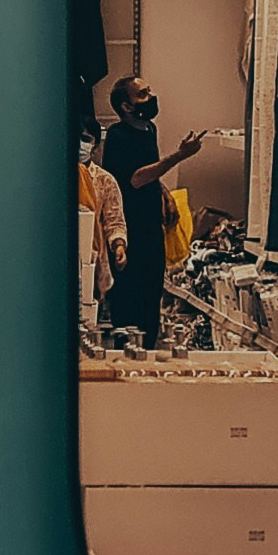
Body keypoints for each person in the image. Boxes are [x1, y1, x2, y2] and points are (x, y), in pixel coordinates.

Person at [100, 75, 203, 350]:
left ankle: (149, 354)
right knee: (129, 301)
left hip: (151, 226)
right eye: (142, 94)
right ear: (126, 106)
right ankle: (127, 361)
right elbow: (134, 178)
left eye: (149, 91)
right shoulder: (117, 136)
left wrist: (164, 193)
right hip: (128, 228)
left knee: (152, 295)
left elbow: (150, 172)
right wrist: (179, 156)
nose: (151, 97)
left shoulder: (149, 129)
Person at [77, 122, 127, 340]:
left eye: (86, 139)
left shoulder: (105, 180)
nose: (81, 144)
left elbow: (114, 219)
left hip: (93, 260)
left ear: (95, 144)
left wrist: (119, 246)